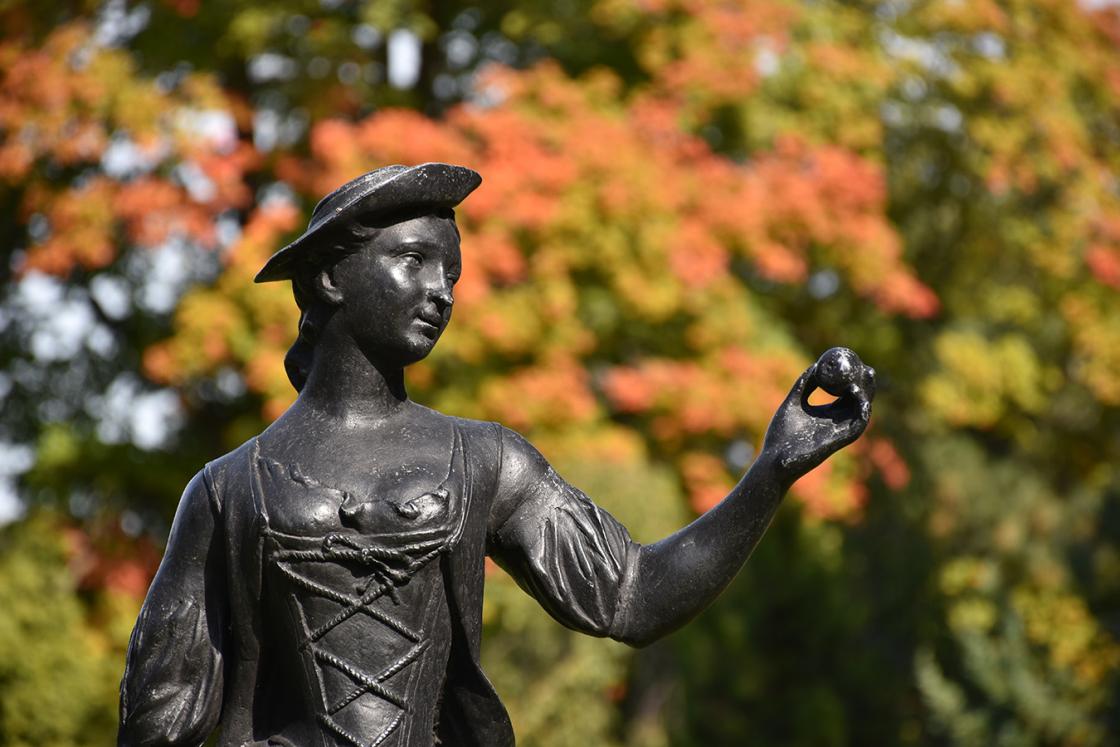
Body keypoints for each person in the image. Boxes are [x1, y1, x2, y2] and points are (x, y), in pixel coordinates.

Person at [118, 163, 875, 747]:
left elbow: (634, 593)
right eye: (414, 260)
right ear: (328, 276)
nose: (441, 290)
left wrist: (772, 469)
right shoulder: (226, 490)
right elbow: (161, 712)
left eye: (451, 271)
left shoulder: (485, 461)